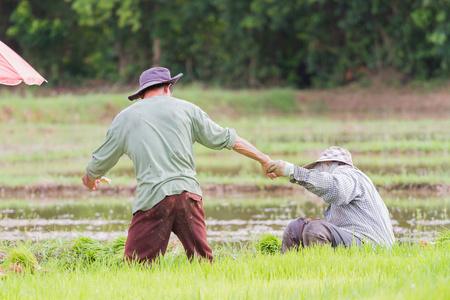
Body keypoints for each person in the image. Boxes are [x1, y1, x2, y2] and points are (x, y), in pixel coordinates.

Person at [82, 67, 272, 264]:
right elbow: (229, 139)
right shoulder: (187, 109)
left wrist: (90, 178)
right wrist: (264, 159)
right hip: (188, 195)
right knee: (203, 262)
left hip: (153, 199)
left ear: (141, 94)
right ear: (168, 88)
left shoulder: (125, 118)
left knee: (136, 267)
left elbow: (99, 161)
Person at [266, 146, 395, 252]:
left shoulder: (350, 174)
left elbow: (334, 188)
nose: (317, 173)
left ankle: (321, 272)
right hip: (359, 242)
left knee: (315, 229)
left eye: (318, 169)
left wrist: (290, 170)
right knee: (295, 228)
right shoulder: (354, 180)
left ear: (329, 164)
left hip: (372, 247)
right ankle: (290, 270)